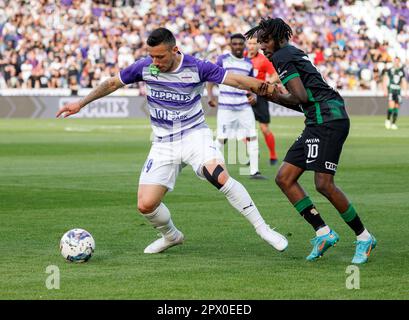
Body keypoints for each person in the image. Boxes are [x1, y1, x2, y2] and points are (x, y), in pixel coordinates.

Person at [56, 28, 288, 254]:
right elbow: (111, 84)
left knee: (216, 174)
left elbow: (236, 81)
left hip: (194, 135)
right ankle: (171, 236)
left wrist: (268, 90)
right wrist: (80, 103)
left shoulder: (197, 67)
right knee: (146, 205)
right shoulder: (144, 67)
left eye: (160, 56)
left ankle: (263, 228)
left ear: (175, 50)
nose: (155, 61)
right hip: (163, 143)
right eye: (151, 55)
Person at [245, 18, 376, 264]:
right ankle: (323, 232)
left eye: (265, 40)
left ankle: (364, 237)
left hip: (328, 119)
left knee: (324, 184)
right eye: (259, 41)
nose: (262, 46)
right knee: (284, 178)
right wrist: (271, 93)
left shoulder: (282, 55)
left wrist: (268, 93)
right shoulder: (287, 53)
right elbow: (303, 99)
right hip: (318, 118)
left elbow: (299, 97)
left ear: (278, 37)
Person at [207, 33, 266, 180]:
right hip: (226, 107)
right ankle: (209, 167)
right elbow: (210, 78)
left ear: (244, 45)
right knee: (221, 138)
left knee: (252, 135)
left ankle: (254, 171)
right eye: (235, 44)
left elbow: (253, 85)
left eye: (241, 44)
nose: (238, 46)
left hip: (244, 107)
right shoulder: (223, 60)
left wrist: (254, 96)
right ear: (230, 45)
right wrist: (210, 96)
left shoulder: (248, 63)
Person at [246, 37, 279, 165]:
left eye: (254, 43)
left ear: (258, 45)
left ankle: (273, 156)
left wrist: (268, 82)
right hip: (244, 96)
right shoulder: (241, 59)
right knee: (244, 130)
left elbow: (275, 74)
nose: (252, 46)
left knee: (264, 128)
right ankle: (254, 153)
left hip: (259, 96)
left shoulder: (263, 60)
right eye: (250, 43)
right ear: (246, 44)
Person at [383, 57, 407, 130]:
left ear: (399, 62)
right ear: (393, 61)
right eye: (395, 61)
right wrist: (385, 90)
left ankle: (393, 123)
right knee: (391, 106)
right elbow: (385, 79)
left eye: (397, 61)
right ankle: (387, 120)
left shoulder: (401, 71)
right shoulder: (390, 70)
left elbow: (403, 81)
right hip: (391, 90)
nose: (396, 62)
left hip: (398, 91)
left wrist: (405, 91)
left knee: (396, 107)